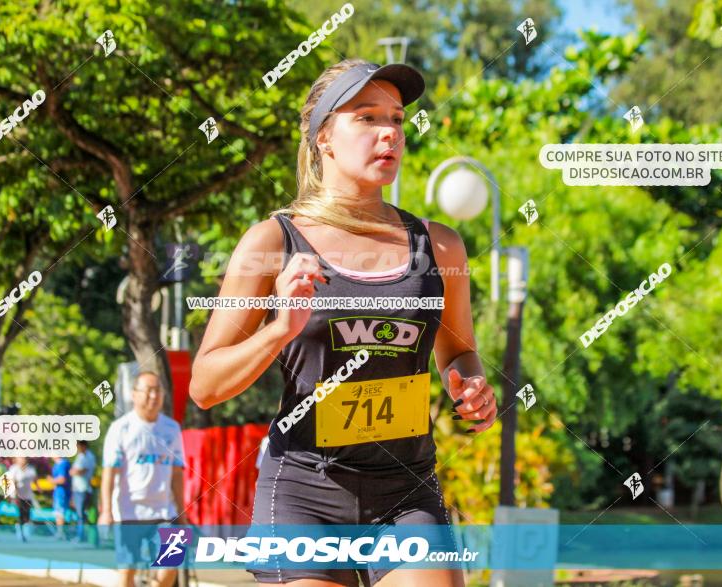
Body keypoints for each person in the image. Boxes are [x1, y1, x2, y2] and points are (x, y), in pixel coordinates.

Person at [189, 58, 498, 587]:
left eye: (397, 120)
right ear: (324, 138)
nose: (389, 133)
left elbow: (458, 352)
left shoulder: (439, 245)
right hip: (304, 489)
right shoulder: (270, 243)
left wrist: (470, 384)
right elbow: (205, 386)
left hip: (406, 491)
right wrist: (279, 328)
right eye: (367, 117)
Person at [98, 371, 187, 587]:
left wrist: (182, 511)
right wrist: (106, 511)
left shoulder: (171, 428)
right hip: (129, 512)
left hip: (164, 511)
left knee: (170, 565)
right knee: (127, 570)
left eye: (158, 391)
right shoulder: (121, 428)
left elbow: (177, 473)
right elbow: (109, 472)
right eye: (148, 391)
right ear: (134, 394)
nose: (154, 396)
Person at [70, 440, 97, 544]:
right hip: (77, 488)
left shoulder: (88, 456)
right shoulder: (80, 456)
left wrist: (74, 472)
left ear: (83, 445)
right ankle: (82, 534)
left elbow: (82, 471)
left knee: (81, 514)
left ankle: (81, 535)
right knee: (79, 514)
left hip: (83, 489)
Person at [7, 456, 37, 542]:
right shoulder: (13, 469)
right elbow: (12, 482)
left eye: (24, 458)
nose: (23, 459)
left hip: (27, 495)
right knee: (19, 514)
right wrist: (14, 495)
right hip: (17, 495)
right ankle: (20, 533)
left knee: (27, 513)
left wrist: (38, 487)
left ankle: (25, 533)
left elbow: (34, 479)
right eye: (21, 458)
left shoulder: (30, 469)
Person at [51, 456, 72, 539]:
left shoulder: (62, 464)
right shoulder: (58, 464)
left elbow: (62, 479)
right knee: (59, 513)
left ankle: (61, 533)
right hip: (59, 492)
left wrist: (51, 480)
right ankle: (61, 532)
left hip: (61, 492)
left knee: (60, 513)